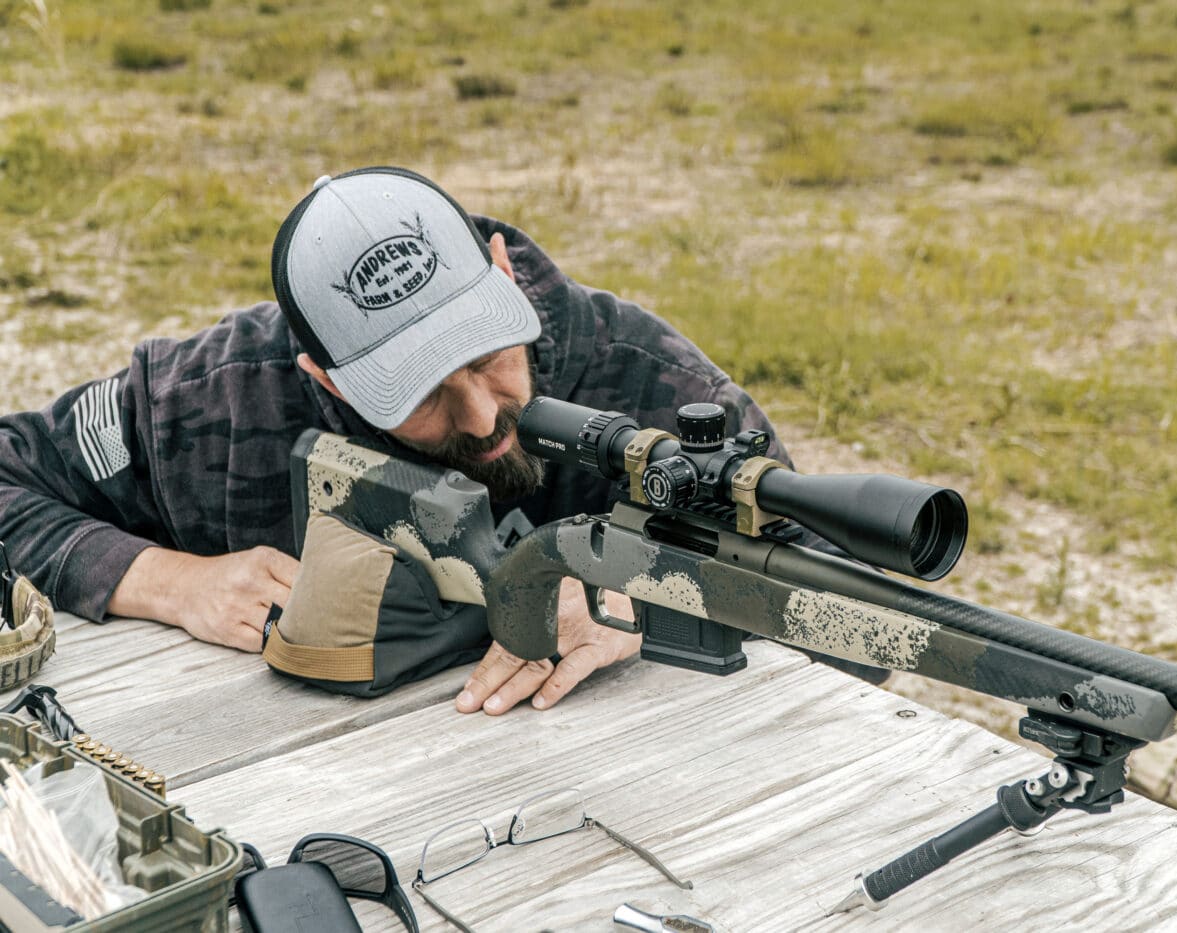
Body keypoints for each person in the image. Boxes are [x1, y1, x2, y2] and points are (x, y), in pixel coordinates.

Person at [0, 166, 880, 715]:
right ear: (324, 377)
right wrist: (161, 578)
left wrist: (651, 601)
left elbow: (854, 612)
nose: (481, 416)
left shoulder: (640, 377)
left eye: (491, 357)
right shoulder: (210, 398)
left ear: (501, 270)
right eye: (418, 393)